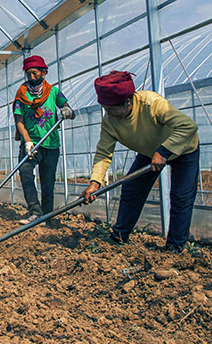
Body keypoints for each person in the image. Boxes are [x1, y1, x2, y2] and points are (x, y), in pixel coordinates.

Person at [81, 70, 200, 252]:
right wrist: (95, 182)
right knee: (131, 188)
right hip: (150, 151)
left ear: (127, 102)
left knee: (180, 198)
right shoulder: (110, 120)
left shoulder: (151, 103)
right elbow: (104, 153)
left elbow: (188, 126)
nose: (109, 114)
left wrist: (164, 151)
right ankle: (119, 236)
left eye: (112, 109)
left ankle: (174, 248)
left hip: (183, 149)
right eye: (106, 109)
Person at [13, 55, 75, 224]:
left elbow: (68, 108)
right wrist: (27, 142)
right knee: (25, 173)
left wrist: (67, 111)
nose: (32, 77)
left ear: (44, 72)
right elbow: (20, 122)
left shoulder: (53, 92)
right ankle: (35, 211)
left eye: (35, 73)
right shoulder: (21, 95)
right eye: (28, 74)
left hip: (51, 144)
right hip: (30, 144)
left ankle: (47, 216)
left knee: (48, 181)